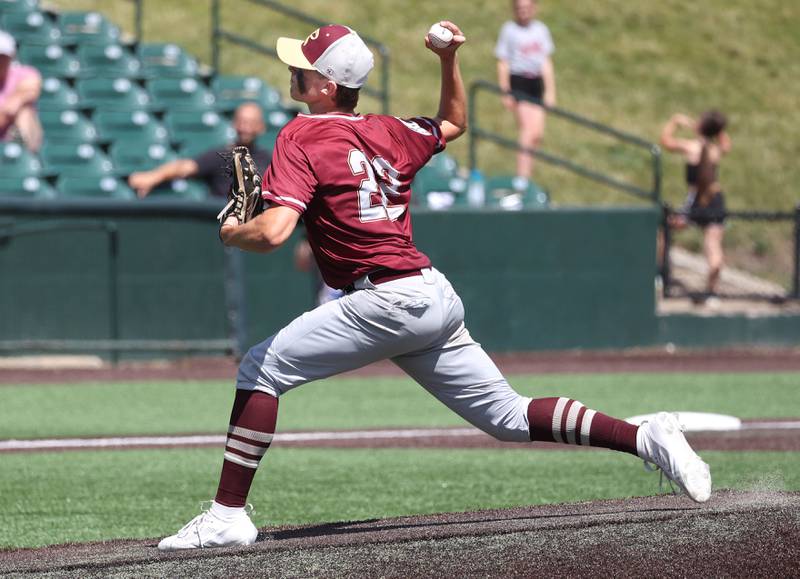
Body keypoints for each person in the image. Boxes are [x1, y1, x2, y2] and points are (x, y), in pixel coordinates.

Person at [158, 21, 711, 551]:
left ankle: (228, 516)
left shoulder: (301, 134)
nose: (292, 74)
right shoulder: (388, 131)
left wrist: (233, 233)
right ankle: (646, 436)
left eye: (302, 68)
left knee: (261, 369)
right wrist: (449, 61)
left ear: (327, 86)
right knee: (509, 418)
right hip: (430, 294)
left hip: (386, 300)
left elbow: (275, 233)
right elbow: (452, 123)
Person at [128, 102, 271, 198]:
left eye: (251, 123)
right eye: (241, 122)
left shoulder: (268, 159)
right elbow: (185, 167)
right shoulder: (222, 155)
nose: (245, 128)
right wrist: (153, 177)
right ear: (234, 124)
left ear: (261, 127)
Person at [660, 111, 730, 300]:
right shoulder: (715, 150)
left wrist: (675, 121)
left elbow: (666, 141)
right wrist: (714, 130)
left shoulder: (691, 147)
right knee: (713, 245)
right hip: (715, 201)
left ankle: (659, 274)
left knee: (665, 228)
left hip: (695, 202)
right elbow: (726, 145)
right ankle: (712, 290)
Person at [495, 0, 556, 183]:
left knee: (537, 134)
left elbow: (546, 62)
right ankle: (522, 177)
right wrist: (505, 90)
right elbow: (503, 62)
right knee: (527, 130)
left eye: (527, 8)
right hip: (519, 81)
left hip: (536, 82)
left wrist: (550, 91)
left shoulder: (541, 30)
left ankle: (528, 174)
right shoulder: (509, 30)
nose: (524, 12)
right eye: (520, 9)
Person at [0, 30, 43, 153]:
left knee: (24, 111)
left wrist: (13, 104)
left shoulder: (26, 74)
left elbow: (27, 94)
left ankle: (23, 153)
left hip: (10, 129)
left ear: (11, 56)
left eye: (3, 56)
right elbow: (8, 111)